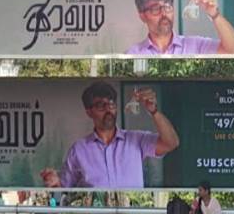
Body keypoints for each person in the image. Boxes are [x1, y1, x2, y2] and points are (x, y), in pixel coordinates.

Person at [40, 81, 180, 189]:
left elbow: (171, 143)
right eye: (101, 105)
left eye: (111, 104)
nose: (108, 109)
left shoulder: (135, 140)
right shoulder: (79, 149)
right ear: (89, 112)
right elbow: (64, 189)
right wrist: (55, 182)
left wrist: (153, 111)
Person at [125, 0, 234, 56]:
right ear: (142, 16)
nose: (164, 13)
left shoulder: (195, 45)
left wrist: (214, 14)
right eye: (156, 9)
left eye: (167, 7)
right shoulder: (133, 53)